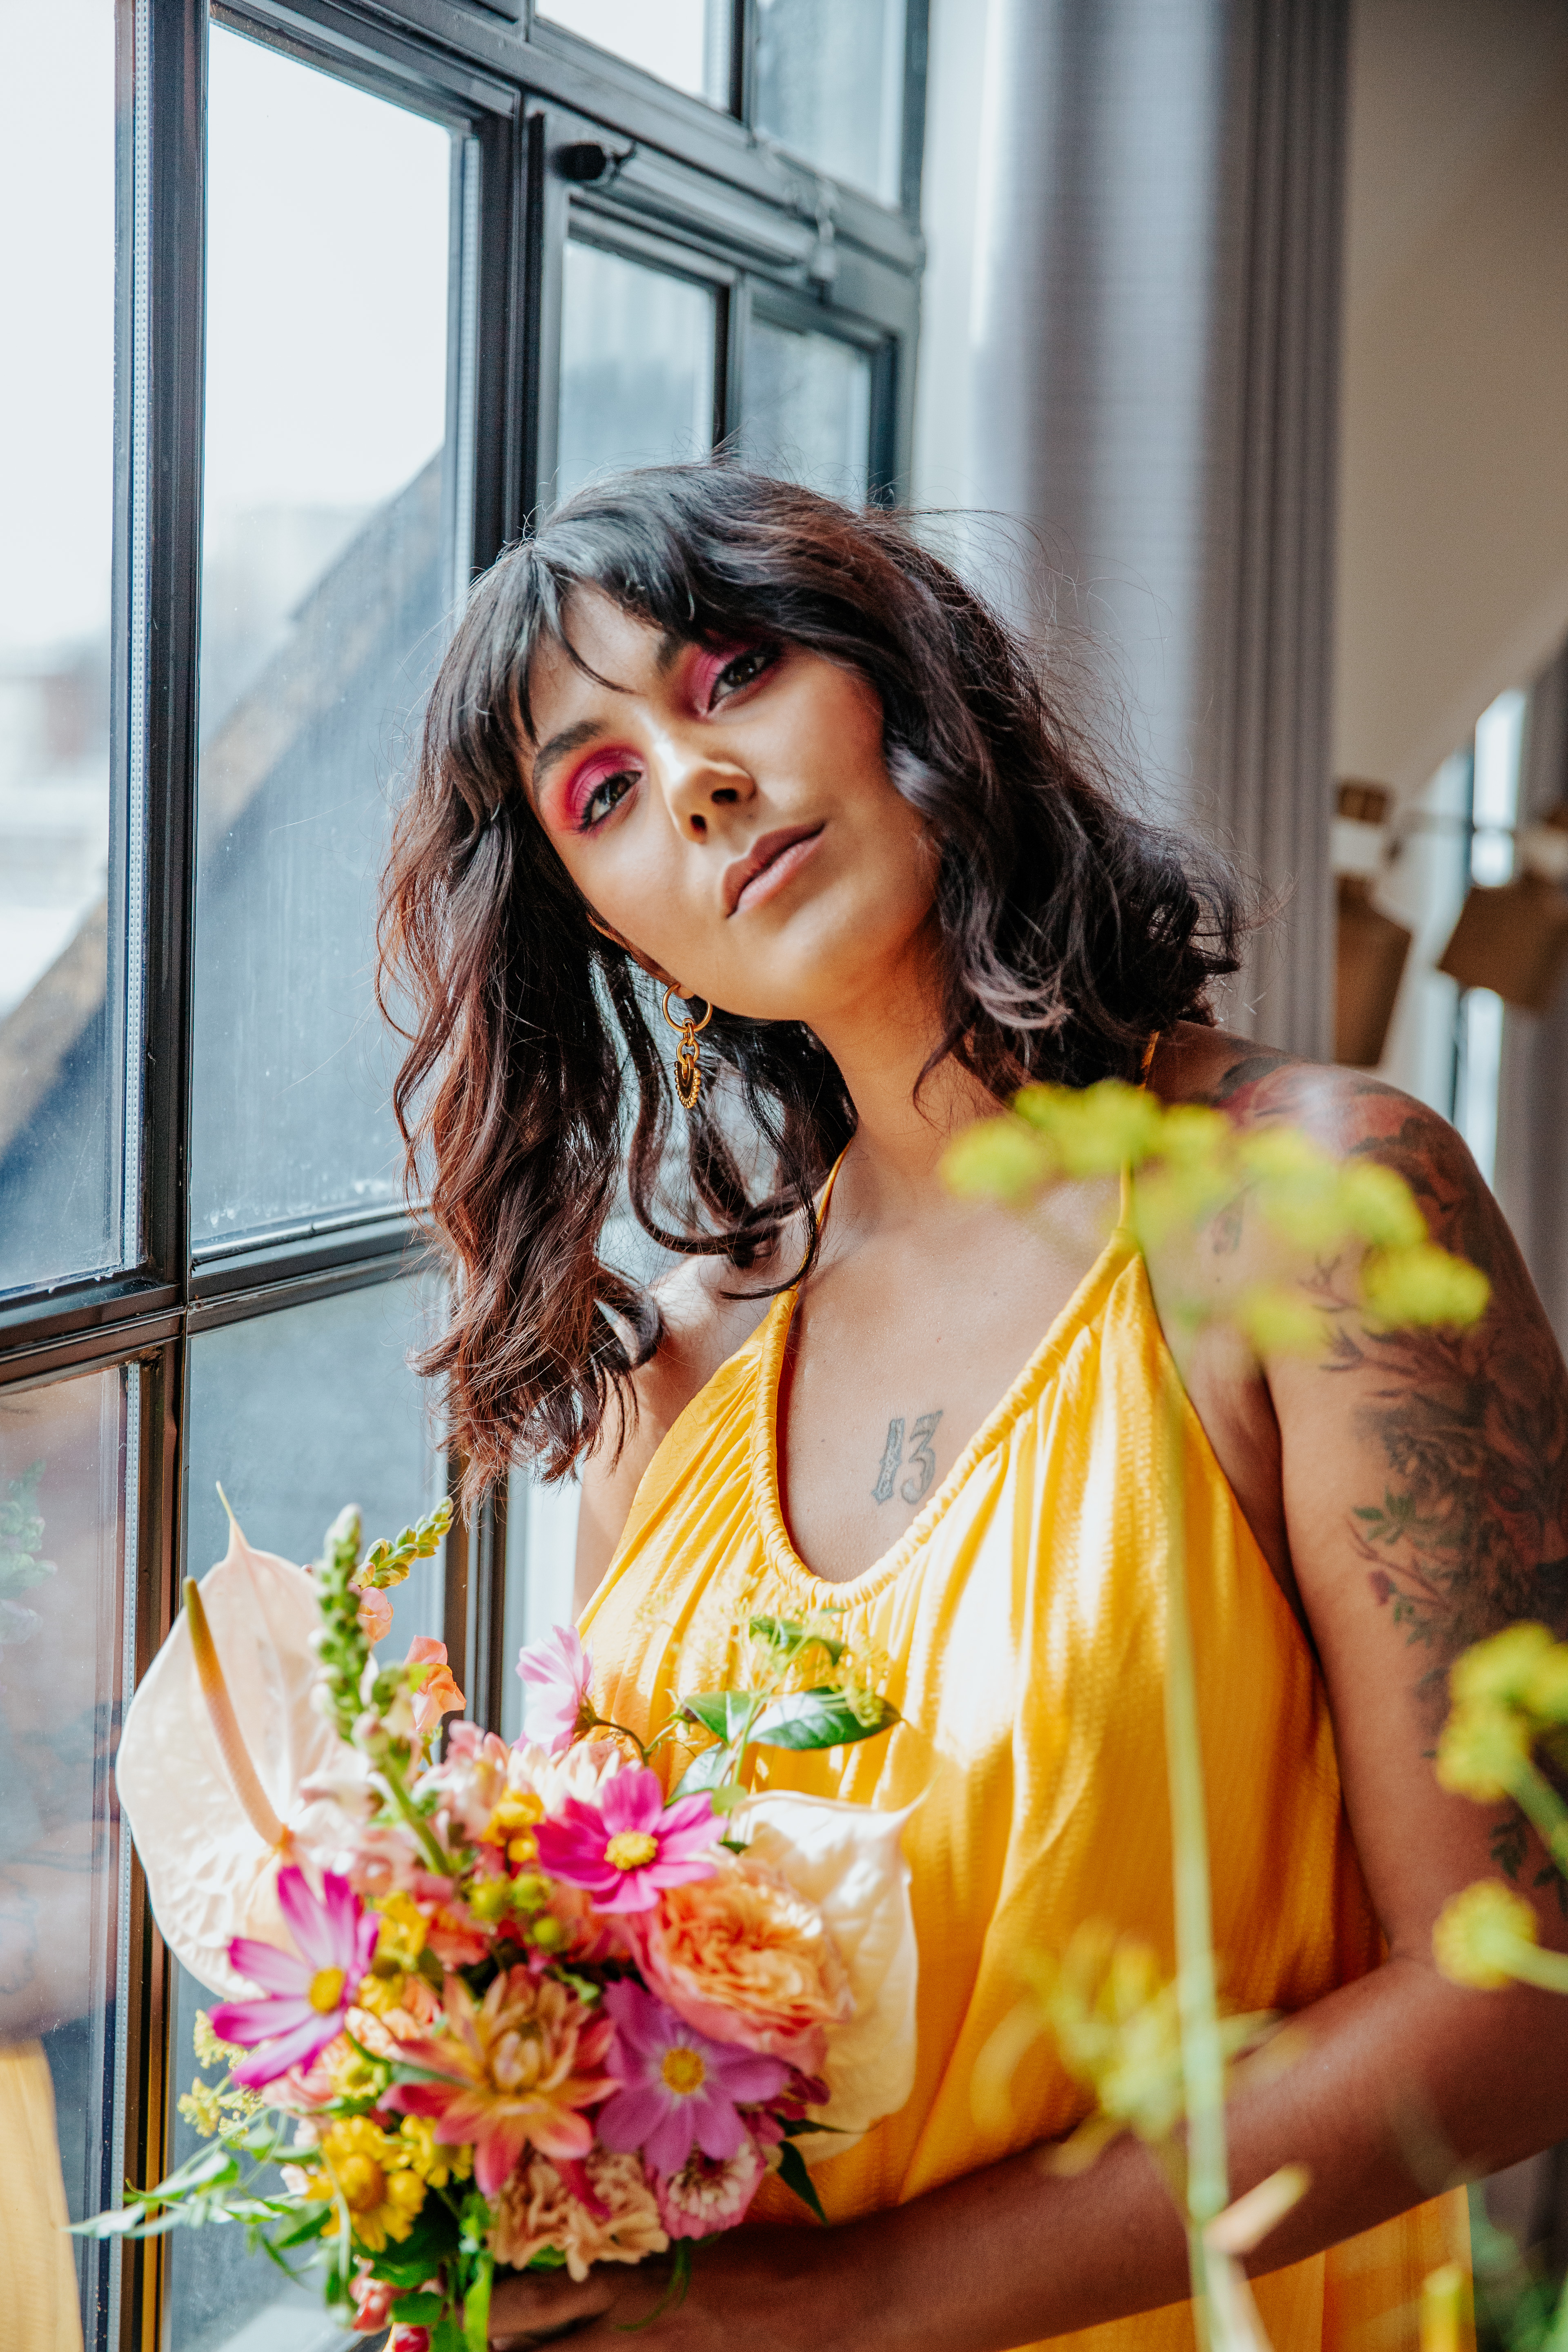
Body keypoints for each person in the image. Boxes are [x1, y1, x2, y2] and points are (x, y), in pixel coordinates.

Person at [378, 465, 1568, 2351]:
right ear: (609, 929)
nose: (693, 782)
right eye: (600, 790)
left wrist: (848, 2309)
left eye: (733, 672)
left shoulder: (1311, 1211)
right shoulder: (675, 1380)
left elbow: (1522, 2004)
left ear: (901, 676)